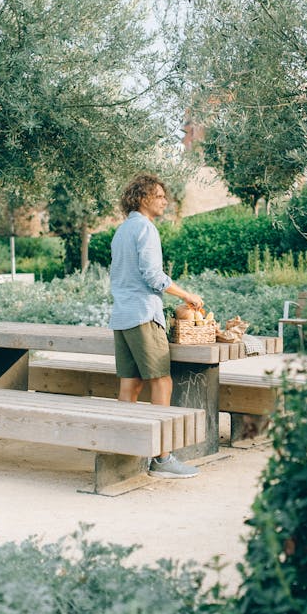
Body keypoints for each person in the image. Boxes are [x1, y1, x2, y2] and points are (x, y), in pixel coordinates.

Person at [109, 173, 203, 479]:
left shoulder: (122, 230)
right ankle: (162, 458)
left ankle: (126, 453)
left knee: (130, 384)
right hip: (143, 314)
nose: (165, 200)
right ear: (142, 198)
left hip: (122, 316)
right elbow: (153, 276)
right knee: (161, 381)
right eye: (159, 195)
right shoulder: (145, 229)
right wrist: (187, 294)